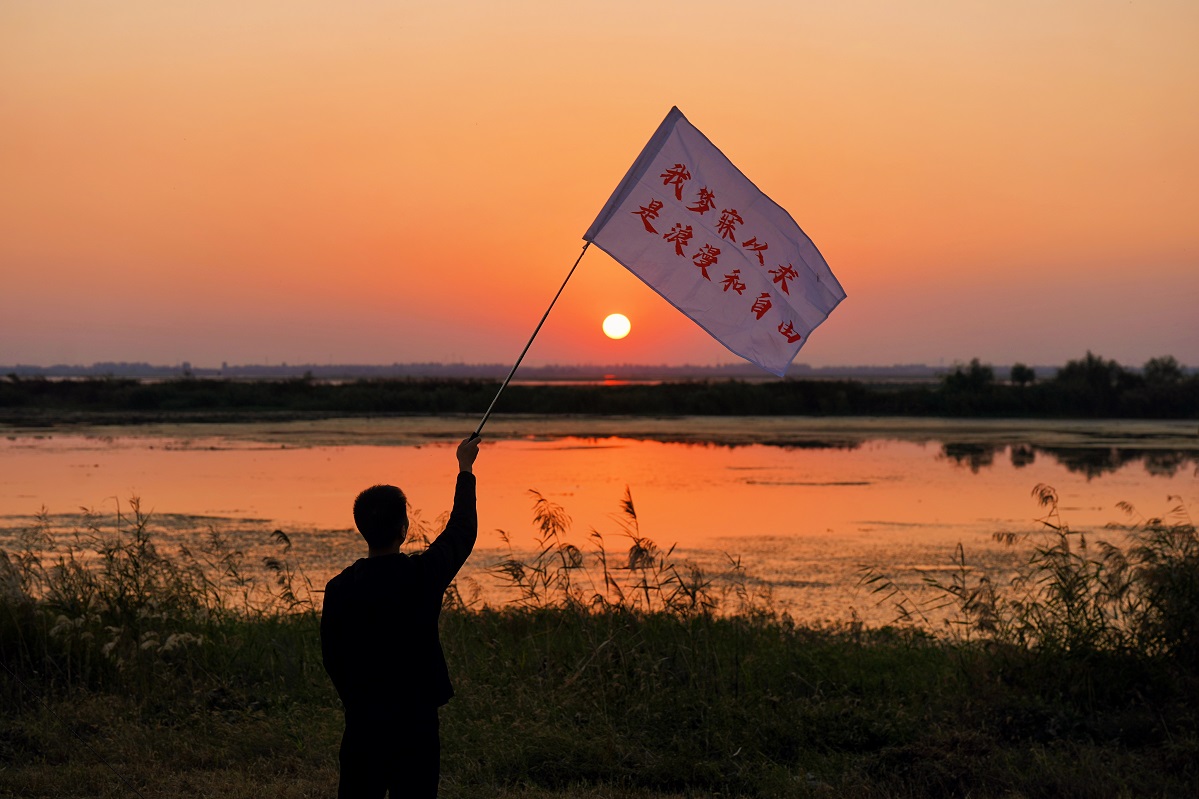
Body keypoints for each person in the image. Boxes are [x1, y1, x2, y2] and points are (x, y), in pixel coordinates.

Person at [321, 434, 480, 798]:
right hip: (417, 723)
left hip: (363, 724)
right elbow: (461, 532)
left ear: (362, 528)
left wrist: (357, 701)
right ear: (404, 530)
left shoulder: (339, 587)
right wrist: (465, 469)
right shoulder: (422, 576)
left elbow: (332, 656)